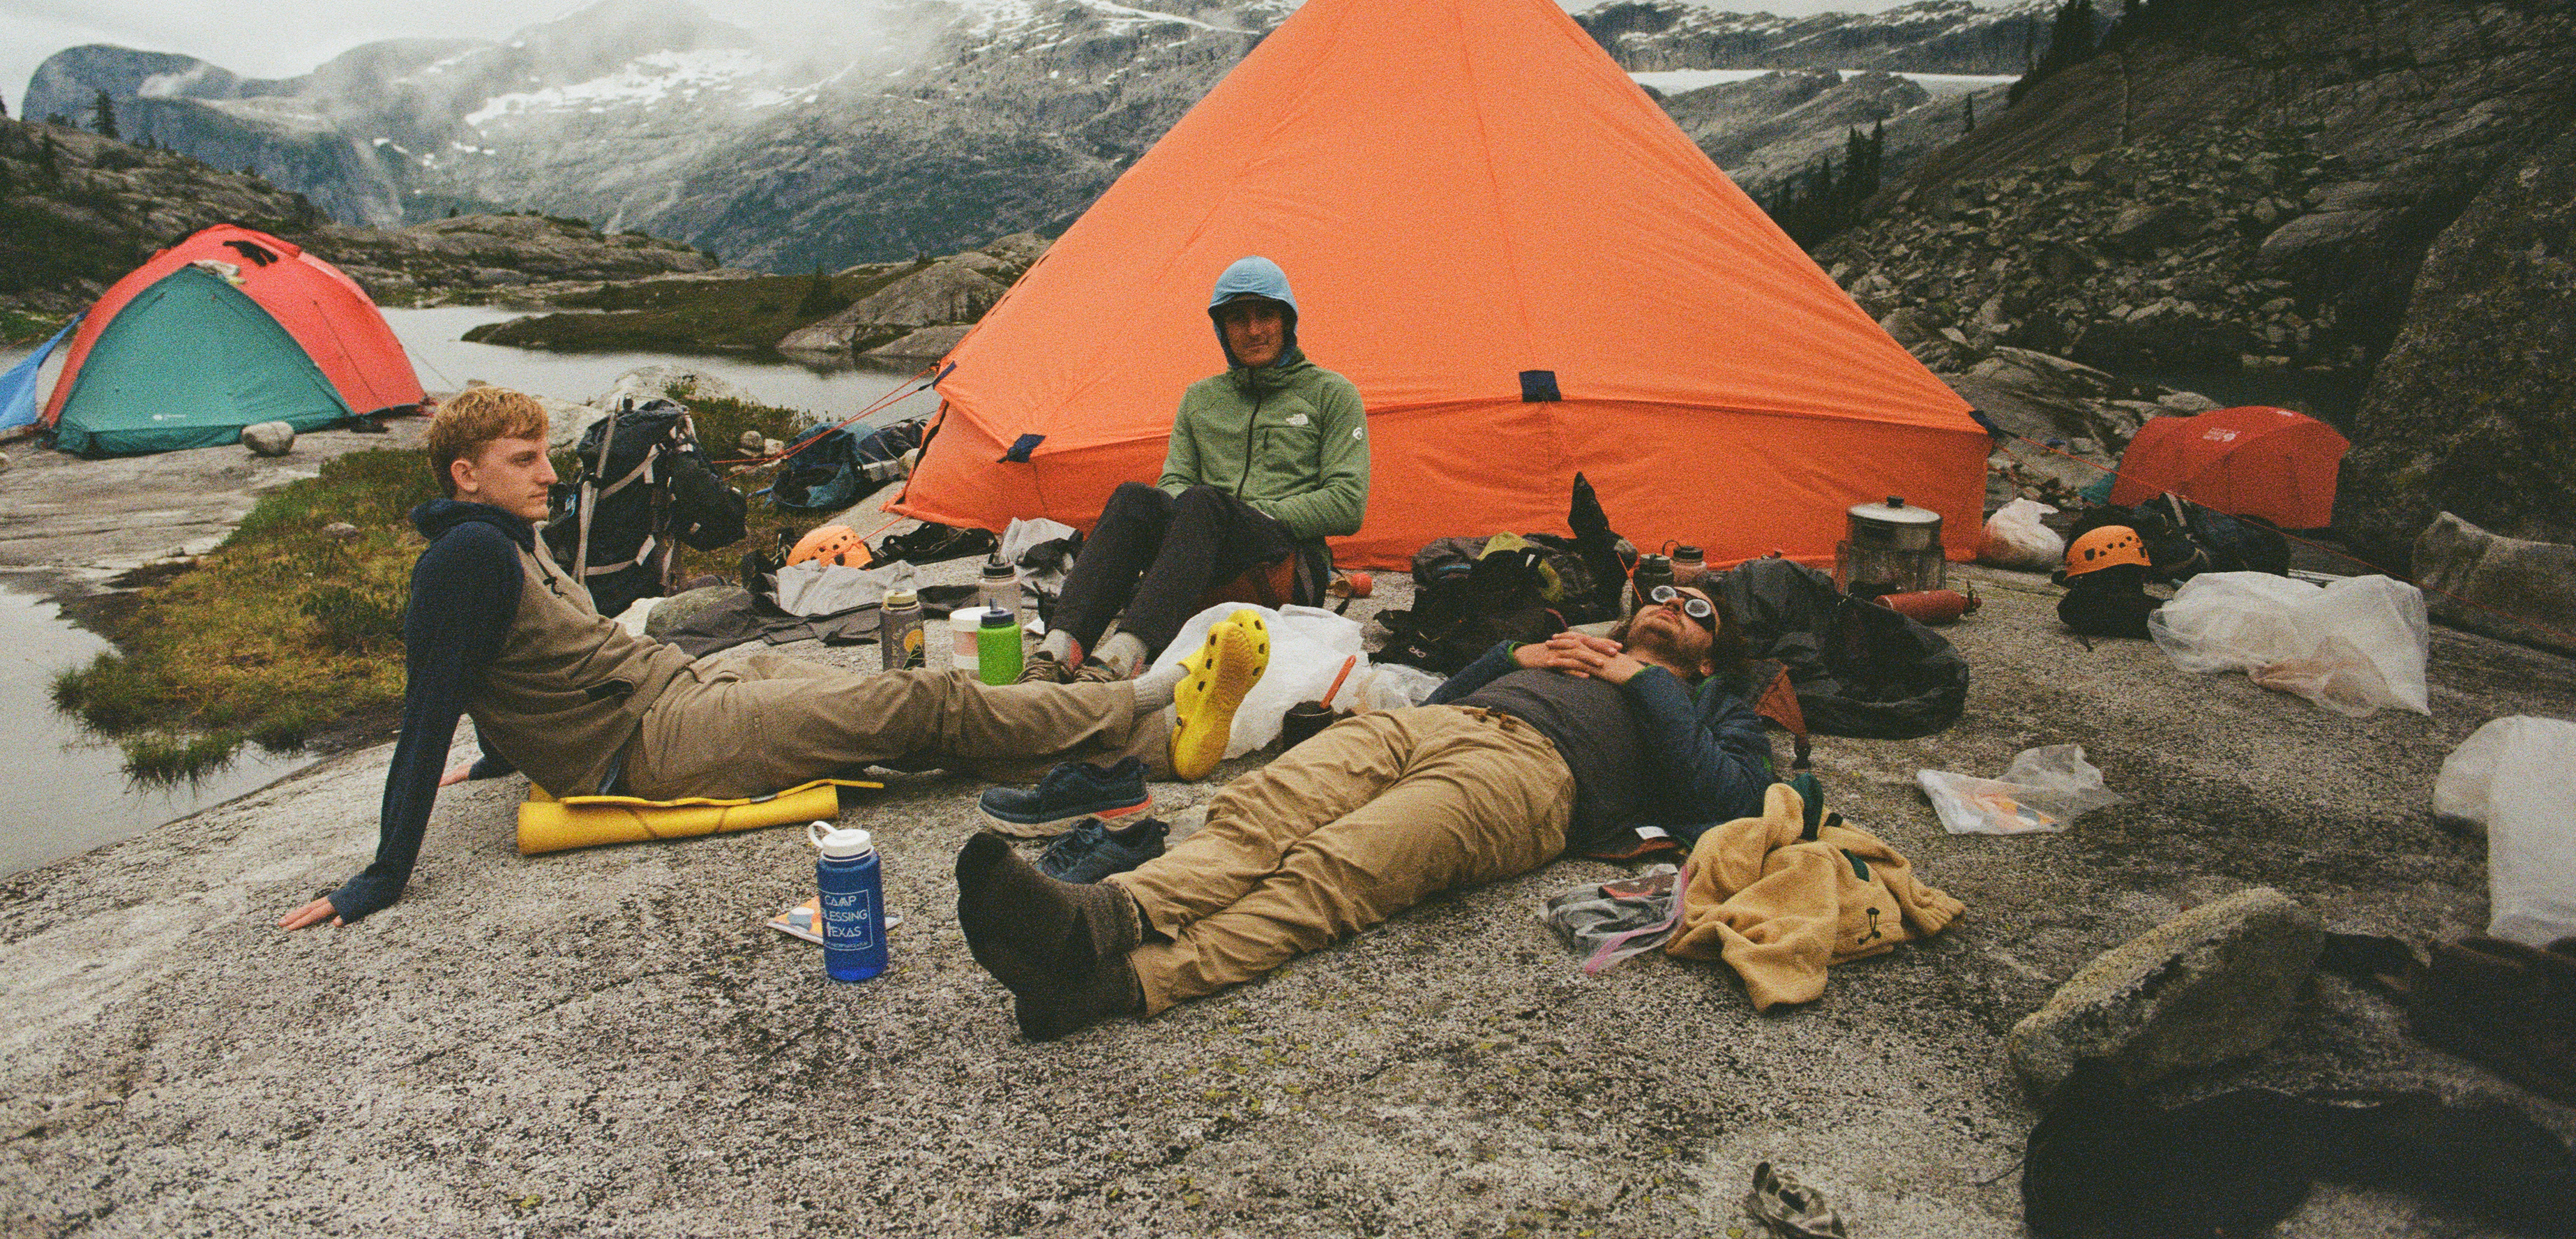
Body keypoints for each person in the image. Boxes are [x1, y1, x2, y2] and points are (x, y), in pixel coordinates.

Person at [276, 386, 1265, 931]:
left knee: (893, 694)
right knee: (910, 708)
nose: (548, 471)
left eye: (544, 453)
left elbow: (502, 672)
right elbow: (428, 705)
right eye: (523, 459)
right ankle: (1129, 700)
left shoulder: (499, 536)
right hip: (652, 743)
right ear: (465, 473)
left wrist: (502, 749)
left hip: (680, 689)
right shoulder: (467, 556)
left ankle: (1084, 732)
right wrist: (381, 874)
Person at [956, 585, 1775, 1039]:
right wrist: (1509, 656)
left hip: (1531, 778)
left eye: (1697, 608)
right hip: (1426, 726)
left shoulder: (1709, 704)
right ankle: (1099, 917)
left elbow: (1726, 796)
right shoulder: (1571, 647)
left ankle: (1115, 982)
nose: (1673, 604)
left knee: (1336, 867)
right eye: (1663, 592)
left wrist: (1643, 683)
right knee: (1263, 809)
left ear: (1711, 652)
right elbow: (1452, 696)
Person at [1030, 256, 1367, 682]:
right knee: (1136, 497)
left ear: (1287, 321)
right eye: (1238, 319)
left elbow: (1347, 504)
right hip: (1203, 552)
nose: (1255, 330)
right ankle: (1059, 649)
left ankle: (1125, 655)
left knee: (1204, 501)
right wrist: (1188, 515)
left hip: (1284, 566)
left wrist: (1242, 511)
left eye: (1266, 314)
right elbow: (1174, 480)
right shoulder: (1201, 399)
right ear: (1222, 330)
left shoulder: (1331, 394)